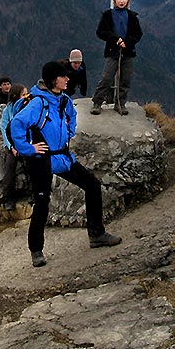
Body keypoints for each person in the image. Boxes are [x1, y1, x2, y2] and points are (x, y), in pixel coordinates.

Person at [10, 61, 122, 268]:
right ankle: (36, 250)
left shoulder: (62, 100)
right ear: (54, 80)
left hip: (61, 156)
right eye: (64, 76)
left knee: (92, 185)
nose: (68, 79)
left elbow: (71, 115)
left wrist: (69, 133)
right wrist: (29, 149)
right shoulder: (37, 103)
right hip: (42, 159)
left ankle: (97, 234)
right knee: (42, 202)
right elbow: (16, 124)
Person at [90, 0, 143, 116]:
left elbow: (138, 34)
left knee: (125, 79)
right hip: (112, 51)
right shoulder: (108, 15)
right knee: (107, 77)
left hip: (128, 52)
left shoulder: (132, 16)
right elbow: (101, 32)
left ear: (128, 0)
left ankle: (120, 103)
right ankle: (98, 102)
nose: (121, 1)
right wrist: (115, 39)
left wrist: (127, 42)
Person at [0, 84, 28, 210]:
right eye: (24, 94)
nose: (27, 96)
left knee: (33, 164)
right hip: (12, 144)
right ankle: (9, 198)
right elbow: (4, 130)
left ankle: (34, 193)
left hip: (26, 143)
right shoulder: (7, 111)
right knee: (10, 166)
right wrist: (12, 148)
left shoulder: (28, 108)